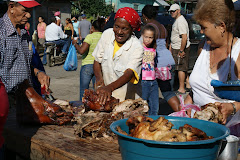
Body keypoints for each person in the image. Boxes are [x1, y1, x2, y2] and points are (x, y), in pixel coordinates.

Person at [184, 0, 240, 124]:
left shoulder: (238, 54)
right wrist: (190, 97)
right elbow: (202, 82)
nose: (201, 32)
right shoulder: (203, 46)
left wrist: (232, 107)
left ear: (221, 26)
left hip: (229, 128)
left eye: (204, 27)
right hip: (198, 123)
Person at [92, 7, 143, 104]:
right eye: (116, 26)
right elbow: (97, 60)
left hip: (126, 99)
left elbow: (129, 73)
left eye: (124, 28)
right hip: (106, 96)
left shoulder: (137, 47)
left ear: (132, 29)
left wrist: (109, 88)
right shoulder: (107, 34)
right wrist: (99, 80)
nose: (119, 32)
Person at [142, 5, 180, 112]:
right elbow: (166, 43)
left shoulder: (149, 28)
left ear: (144, 16)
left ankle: (151, 117)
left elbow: (149, 46)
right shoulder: (162, 26)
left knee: (149, 91)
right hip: (168, 60)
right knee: (168, 91)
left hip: (157, 62)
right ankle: (182, 114)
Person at [72, 18, 106, 101]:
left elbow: (81, 51)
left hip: (87, 65)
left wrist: (75, 44)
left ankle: (82, 107)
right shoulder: (104, 36)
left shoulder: (90, 37)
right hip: (99, 66)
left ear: (93, 28)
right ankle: (96, 106)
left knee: (84, 91)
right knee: (97, 90)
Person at [169, 3, 191, 94]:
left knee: (180, 68)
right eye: (170, 11)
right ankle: (188, 84)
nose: (172, 13)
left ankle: (181, 88)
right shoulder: (177, 20)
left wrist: (181, 50)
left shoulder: (180, 21)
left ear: (179, 11)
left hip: (180, 48)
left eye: (173, 11)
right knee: (182, 67)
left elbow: (184, 37)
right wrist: (171, 47)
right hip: (176, 47)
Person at [140, 25, 159, 115]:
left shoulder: (154, 49)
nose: (148, 40)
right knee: (143, 107)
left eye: (150, 37)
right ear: (142, 35)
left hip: (153, 80)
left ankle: (153, 124)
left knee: (155, 107)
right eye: (146, 37)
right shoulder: (139, 48)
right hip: (143, 81)